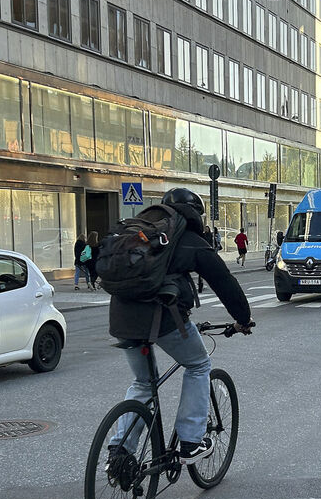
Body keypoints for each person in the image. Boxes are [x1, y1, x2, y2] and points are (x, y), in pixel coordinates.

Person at [108, 188, 253, 464]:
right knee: (198, 364)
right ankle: (190, 442)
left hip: (121, 317)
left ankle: (120, 452)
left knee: (143, 382)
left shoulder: (142, 234)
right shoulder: (188, 240)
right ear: (195, 215)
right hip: (161, 318)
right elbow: (224, 282)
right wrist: (243, 319)